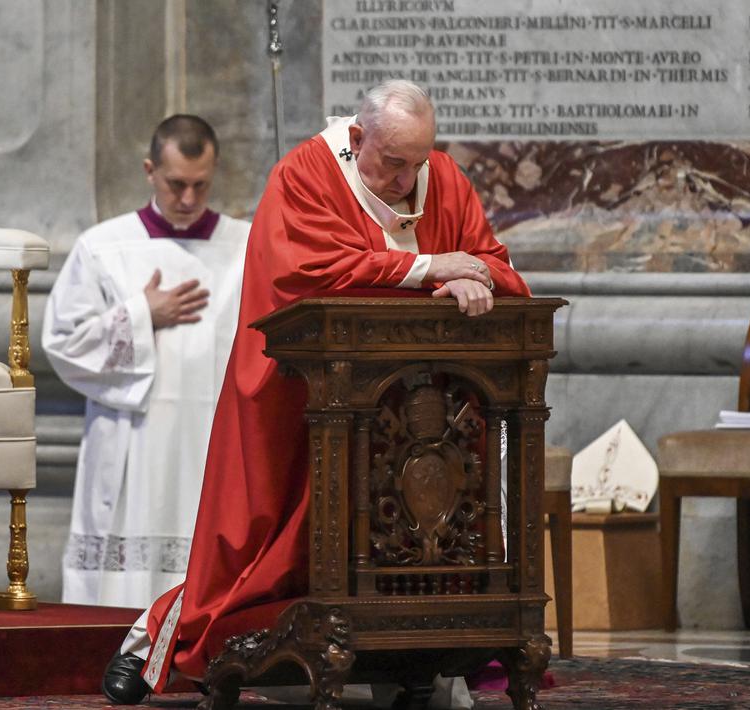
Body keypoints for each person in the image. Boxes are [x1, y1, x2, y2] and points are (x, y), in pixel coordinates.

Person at [101, 80, 531, 705]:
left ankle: (419, 663)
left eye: (420, 162)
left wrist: (480, 280)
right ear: (359, 141)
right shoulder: (305, 175)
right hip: (308, 401)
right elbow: (306, 271)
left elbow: (491, 258)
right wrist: (429, 267)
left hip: (415, 414)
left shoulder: (441, 177)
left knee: (415, 538)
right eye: (393, 163)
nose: (409, 181)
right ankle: (156, 640)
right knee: (271, 552)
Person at [43, 115, 250, 609]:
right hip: (132, 439)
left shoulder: (247, 246)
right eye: (176, 183)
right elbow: (62, 342)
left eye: (201, 185)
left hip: (212, 438)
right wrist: (140, 315)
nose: (188, 199)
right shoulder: (103, 246)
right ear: (149, 170)